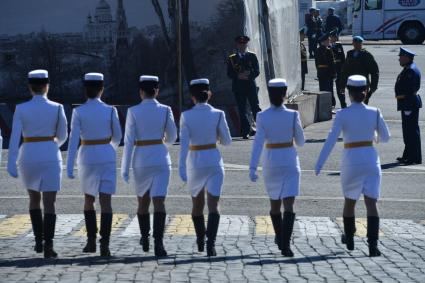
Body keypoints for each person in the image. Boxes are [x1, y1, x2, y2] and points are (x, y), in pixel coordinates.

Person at [315, 75, 390, 257]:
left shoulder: (342, 114)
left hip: (351, 160)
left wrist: (319, 163)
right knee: (371, 203)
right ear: (366, 92)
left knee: (350, 202)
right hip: (371, 159)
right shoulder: (375, 112)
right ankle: (373, 245)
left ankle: (349, 237)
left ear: (348, 92)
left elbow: (331, 140)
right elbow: (386, 137)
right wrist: (375, 138)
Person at [7, 69, 68, 258]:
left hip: (28, 156)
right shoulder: (57, 107)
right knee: (50, 202)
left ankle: (38, 241)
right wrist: (51, 145)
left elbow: (14, 137)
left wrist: (11, 162)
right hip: (50, 154)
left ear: (30, 87)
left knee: (34, 199)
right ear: (47, 86)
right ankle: (49, 245)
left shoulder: (21, 108)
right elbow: (64, 135)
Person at [121, 75, 177, 257]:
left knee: (142, 202)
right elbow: (173, 136)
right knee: (159, 201)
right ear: (157, 91)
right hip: (161, 158)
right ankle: (159, 243)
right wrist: (162, 145)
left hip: (141, 159)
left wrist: (125, 168)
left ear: (141, 92)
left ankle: (145, 237)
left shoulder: (133, 111)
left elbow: (128, 142)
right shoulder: (166, 109)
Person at [67, 73, 122, 257]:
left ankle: (91, 241)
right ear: (102, 89)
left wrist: (69, 166)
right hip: (106, 154)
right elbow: (118, 137)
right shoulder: (110, 110)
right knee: (106, 202)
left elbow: (73, 140)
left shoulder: (78, 111)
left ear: (85, 90)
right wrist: (108, 147)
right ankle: (104, 243)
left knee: (89, 200)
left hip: (87, 156)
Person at [249, 78, 305, 257]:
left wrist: (252, 167)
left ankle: (280, 236)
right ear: (285, 93)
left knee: (274, 204)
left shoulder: (262, 116)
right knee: (289, 205)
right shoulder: (293, 115)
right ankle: (286, 244)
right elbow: (301, 141)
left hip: (271, 161)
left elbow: (258, 143)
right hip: (289, 159)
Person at [179, 79, 232, 256]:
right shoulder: (218, 114)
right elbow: (227, 141)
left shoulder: (186, 115)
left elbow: (184, 144)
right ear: (209, 94)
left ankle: (201, 239)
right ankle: (211, 243)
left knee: (197, 204)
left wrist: (181, 167)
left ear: (192, 96)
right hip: (214, 160)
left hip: (195, 161)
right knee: (214, 204)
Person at [227, 35, 261, 139]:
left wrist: (248, 76)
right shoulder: (232, 58)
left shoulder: (252, 56)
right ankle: (245, 131)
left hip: (250, 85)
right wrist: (238, 75)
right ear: (237, 45)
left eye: (244, 44)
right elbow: (229, 73)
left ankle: (261, 129)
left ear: (247, 44)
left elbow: (257, 71)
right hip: (238, 86)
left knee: (255, 107)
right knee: (242, 109)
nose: (242, 46)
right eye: (240, 44)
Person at [395, 48, 422, 165]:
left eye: (401, 57)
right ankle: (408, 155)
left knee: (410, 131)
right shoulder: (408, 68)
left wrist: (406, 103)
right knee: (408, 131)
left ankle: (414, 157)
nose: (399, 59)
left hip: (408, 103)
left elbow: (410, 89)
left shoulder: (410, 70)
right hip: (407, 102)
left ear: (407, 57)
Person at [342, 36, 379, 105]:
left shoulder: (367, 55)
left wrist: (373, 86)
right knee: (353, 104)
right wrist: (343, 84)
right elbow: (345, 70)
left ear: (361, 44)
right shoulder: (349, 54)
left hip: (363, 85)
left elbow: (374, 71)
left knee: (363, 104)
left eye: (359, 43)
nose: (357, 45)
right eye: (355, 43)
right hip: (352, 84)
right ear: (352, 43)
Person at [315, 33, 336, 106]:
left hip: (321, 73)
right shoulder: (328, 50)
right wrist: (334, 73)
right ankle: (330, 106)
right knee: (329, 90)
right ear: (325, 41)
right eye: (328, 40)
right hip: (328, 73)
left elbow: (316, 64)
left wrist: (318, 72)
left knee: (322, 90)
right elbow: (331, 63)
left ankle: (323, 106)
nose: (329, 41)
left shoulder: (317, 50)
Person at [330, 30, 347, 108]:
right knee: (330, 89)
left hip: (339, 69)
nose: (335, 38)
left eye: (335, 37)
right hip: (331, 69)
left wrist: (343, 69)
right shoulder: (328, 46)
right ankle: (332, 104)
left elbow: (343, 58)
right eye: (333, 37)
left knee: (340, 88)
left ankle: (343, 104)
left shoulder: (339, 45)